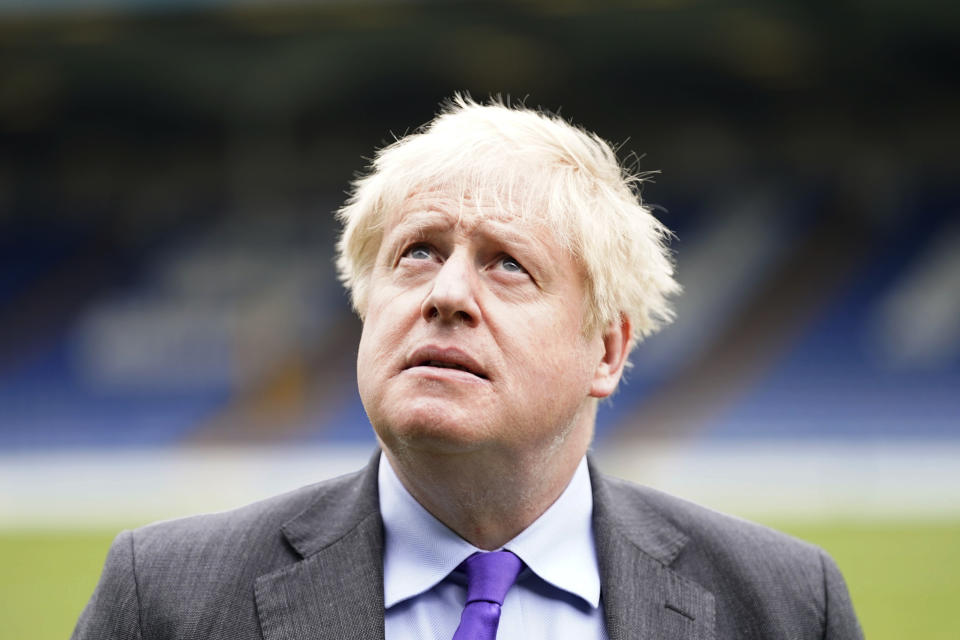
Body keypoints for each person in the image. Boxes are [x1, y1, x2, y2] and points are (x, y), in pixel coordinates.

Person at [73, 95, 863, 639]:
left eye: (508, 264)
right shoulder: (165, 600)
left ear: (608, 349)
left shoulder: (783, 606)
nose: (447, 293)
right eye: (417, 252)